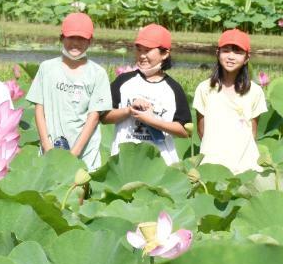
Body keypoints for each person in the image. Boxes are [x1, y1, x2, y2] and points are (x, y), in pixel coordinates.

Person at [26, 13, 112, 170]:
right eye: (71, 37)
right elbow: (39, 109)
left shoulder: (98, 73)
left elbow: (94, 117)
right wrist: (46, 145)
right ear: (61, 38)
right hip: (50, 147)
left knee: (78, 191)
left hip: (84, 151)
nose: (76, 43)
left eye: (81, 39)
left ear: (90, 41)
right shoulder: (47, 68)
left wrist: (74, 153)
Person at [102, 24, 191, 165]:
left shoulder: (173, 89)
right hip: (124, 162)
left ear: (165, 54)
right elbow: (104, 117)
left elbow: (185, 131)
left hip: (161, 163)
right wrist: (129, 110)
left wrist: (152, 121)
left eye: (148, 50)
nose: (142, 55)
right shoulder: (124, 81)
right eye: (139, 50)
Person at [193, 29, 267, 174]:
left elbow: (252, 132)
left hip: (245, 164)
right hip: (212, 164)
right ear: (217, 53)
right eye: (226, 51)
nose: (231, 57)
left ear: (247, 58)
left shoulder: (255, 91)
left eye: (238, 52)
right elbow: (202, 130)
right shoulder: (204, 89)